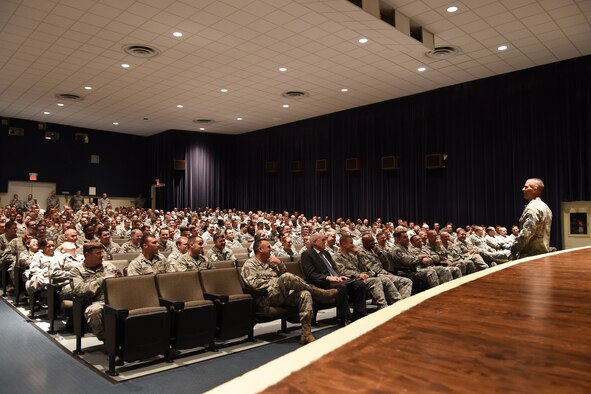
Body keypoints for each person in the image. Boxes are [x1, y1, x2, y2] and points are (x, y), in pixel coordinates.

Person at [241, 239, 337, 345]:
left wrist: (280, 263)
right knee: (286, 278)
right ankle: (318, 293)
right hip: (266, 297)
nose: (271, 248)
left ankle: (306, 334)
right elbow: (254, 284)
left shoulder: (271, 262)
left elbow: (288, 278)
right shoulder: (250, 264)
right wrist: (277, 282)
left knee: (305, 294)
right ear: (260, 249)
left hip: (281, 294)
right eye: (268, 246)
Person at [301, 233, 367, 324]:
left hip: (336, 280)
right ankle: (345, 317)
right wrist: (327, 277)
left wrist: (339, 276)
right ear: (315, 242)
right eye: (323, 240)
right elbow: (310, 275)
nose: (325, 242)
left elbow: (334, 269)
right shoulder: (307, 254)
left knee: (359, 284)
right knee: (341, 287)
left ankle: (359, 314)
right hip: (321, 283)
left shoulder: (326, 253)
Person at [71, 242, 122, 341]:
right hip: (94, 301)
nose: (102, 255)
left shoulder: (108, 266)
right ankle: (109, 341)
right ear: (87, 255)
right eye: (98, 253)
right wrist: (102, 280)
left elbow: (121, 282)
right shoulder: (76, 270)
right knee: (94, 311)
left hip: (114, 298)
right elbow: (80, 290)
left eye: (102, 252)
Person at [511, 178, 553, 259]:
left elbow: (527, 232)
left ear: (535, 189)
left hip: (530, 255)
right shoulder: (545, 207)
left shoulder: (532, 208)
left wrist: (514, 248)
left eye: (526, 187)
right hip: (542, 254)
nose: (523, 189)